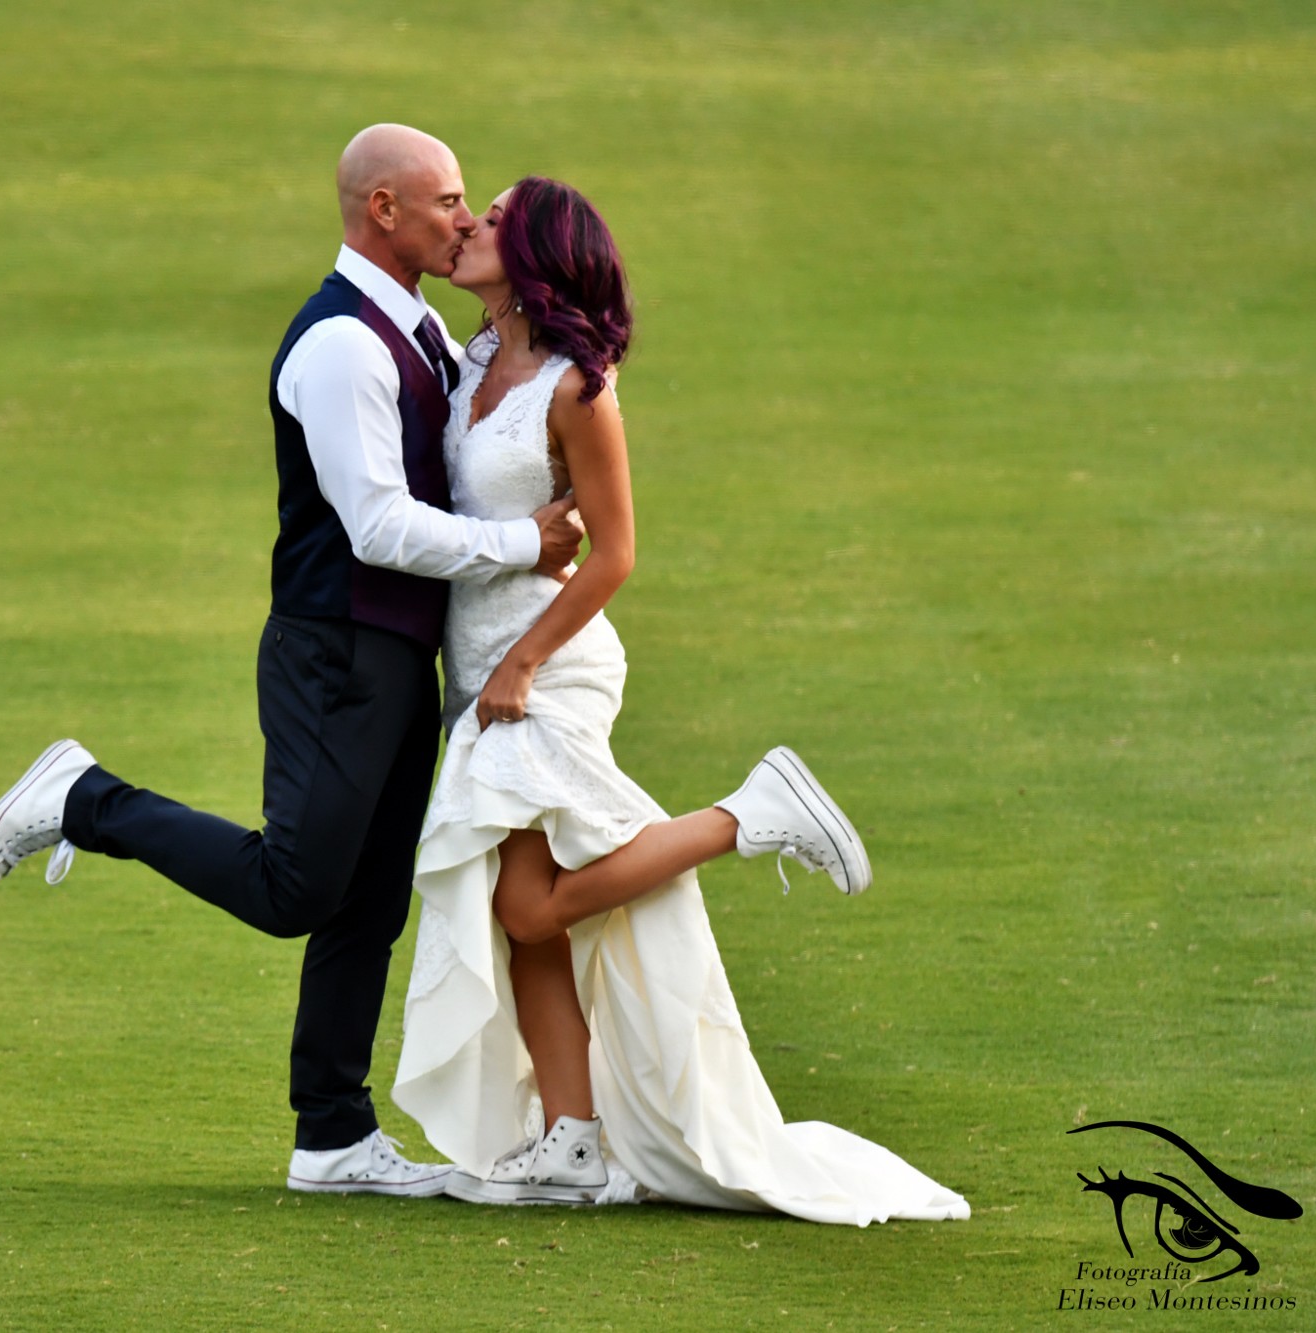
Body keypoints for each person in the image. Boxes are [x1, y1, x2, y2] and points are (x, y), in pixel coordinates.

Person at [0, 126, 586, 1195]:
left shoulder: (425, 330)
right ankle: (85, 797)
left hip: (393, 651)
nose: (462, 217)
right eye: (441, 201)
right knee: (296, 885)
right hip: (334, 646)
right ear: (379, 209)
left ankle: (331, 1135)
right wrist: (526, 545)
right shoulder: (341, 344)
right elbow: (379, 526)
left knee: (368, 901)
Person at [390, 176, 970, 1223]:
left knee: (524, 905)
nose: (468, 224)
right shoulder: (471, 355)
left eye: (492, 217)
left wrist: (521, 663)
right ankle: (568, 1137)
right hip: (477, 664)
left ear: (532, 257)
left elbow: (611, 555)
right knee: (522, 921)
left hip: (545, 666)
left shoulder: (577, 390)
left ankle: (744, 816)